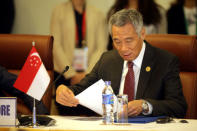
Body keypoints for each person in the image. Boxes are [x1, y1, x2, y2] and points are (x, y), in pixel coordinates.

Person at [56, 9, 187, 118]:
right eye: (117, 41)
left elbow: (178, 106)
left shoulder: (165, 61)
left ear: (142, 34)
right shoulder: (107, 59)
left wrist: (145, 105)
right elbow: (81, 89)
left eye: (129, 40)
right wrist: (64, 91)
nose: (123, 48)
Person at [50, 0, 107, 115]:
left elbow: (101, 47)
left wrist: (88, 74)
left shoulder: (98, 13)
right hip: (65, 73)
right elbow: (55, 45)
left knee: (89, 113)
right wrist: (71, 73)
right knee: (66, 109)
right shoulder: (59, 11)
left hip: (91, 73)